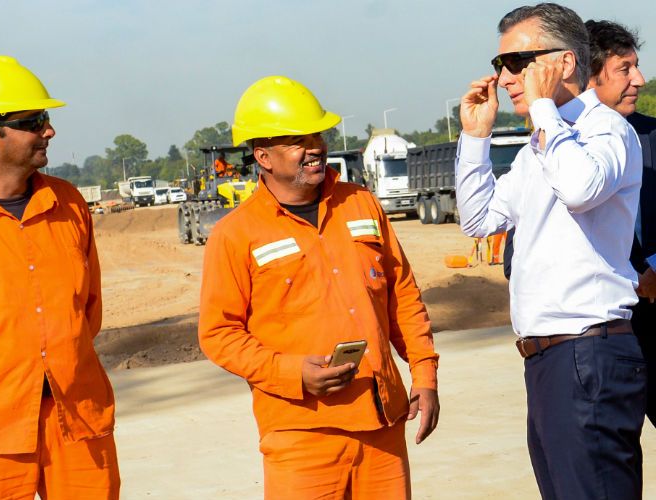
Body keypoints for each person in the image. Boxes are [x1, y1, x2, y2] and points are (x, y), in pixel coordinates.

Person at [198, 75, 439, 499]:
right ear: (264, 157)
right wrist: (292, 373)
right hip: (300, 432)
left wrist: (424, 372)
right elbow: (219, 334)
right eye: (296, 140)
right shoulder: (236, 234)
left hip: (381, 420)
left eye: (317, 134)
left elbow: (402, 294)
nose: (314, 147)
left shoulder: (360, 203)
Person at [455, 4, 645, 499]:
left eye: (517, 64)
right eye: (500, 66)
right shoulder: (537, 146)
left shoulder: (606, 129)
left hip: (588, 351)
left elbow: (580, 189)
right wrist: (475, 138)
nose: (505, 78)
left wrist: (542, 111)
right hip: (548, 361)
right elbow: (479, 219)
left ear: (562, 62)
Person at [0, 55, 120, 498]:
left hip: (77, 419)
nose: (48, 131)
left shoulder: (70, 204)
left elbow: (86, 313)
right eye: (34, 122)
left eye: (46, 119)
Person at [586, 19, 656, 430]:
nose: (640, 79)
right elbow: (516, 259)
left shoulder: (652, 137)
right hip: (599, 341)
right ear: (590, 76)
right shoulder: (555, 150)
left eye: (637, 66)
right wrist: (634, 274)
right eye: (625, 69)